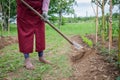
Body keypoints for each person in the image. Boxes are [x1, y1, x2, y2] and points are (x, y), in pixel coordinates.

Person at [16, 0, 51, 70]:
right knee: (25, 36)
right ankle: (27, 60)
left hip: (38, 11)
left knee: (40, 34)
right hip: (24, 10)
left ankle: (41, 57)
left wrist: (45, 11)